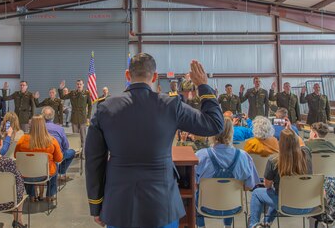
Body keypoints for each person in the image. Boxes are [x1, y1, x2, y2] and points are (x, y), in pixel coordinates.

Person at [85, 54, 223, 228]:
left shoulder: (105, 108)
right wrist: (203, 85)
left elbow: (93, 160)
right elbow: (215, 124)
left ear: (128, 75)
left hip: (118, 206)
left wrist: (96, 204)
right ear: (155, 76)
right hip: (162, 206)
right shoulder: (171, 105)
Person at [195, 117, 260, 228]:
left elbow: (194, 185)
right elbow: (249, 186)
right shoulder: (244, 157)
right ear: (231, 132)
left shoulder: (200, 156)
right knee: (230, 191)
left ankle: (201, 226)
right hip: (233, 207)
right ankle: (228, 225)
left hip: (204, 207)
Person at [249, 128, 313, 228]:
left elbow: (267, 185)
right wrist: (291, 129)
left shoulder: (274, 160)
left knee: (259, 193)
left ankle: (253, 225)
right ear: (296, 140)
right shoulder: (306, 154)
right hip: (308, 205)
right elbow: (302, 144)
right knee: (278, 193)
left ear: (280, 142)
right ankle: (266, 222)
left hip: (286, 205)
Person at [14, 115, 63, 205]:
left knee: (27, 167)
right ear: (44, 125)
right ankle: (50, 195)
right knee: (55, 166)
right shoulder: (52, 140)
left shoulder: (22, 140)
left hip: (26, 175)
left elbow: (16, 156)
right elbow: (59, 158)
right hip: (45, 174)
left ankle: (31, 195)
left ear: (30, 125)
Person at [41, 106, 75, 181]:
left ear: (42, 116)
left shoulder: (38, 128)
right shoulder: (59, 129)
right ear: (53, 116)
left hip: (40, 156)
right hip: (56, 156)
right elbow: (66, 146)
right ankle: (61, 172)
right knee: (72, 152)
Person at [58, 80, 92, 149]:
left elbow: (90, 105)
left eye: (80, 84)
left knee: (83, 136)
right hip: (74, 117)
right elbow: (62, 97)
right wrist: (61, 89)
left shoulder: (87, 93)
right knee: (75, 136)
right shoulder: (72, 93)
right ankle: (76, 151)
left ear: (83, 85)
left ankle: (83, 153)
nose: (79, 85)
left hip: (83, 117)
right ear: (76, 85)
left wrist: (88, 116)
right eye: (77, 84)